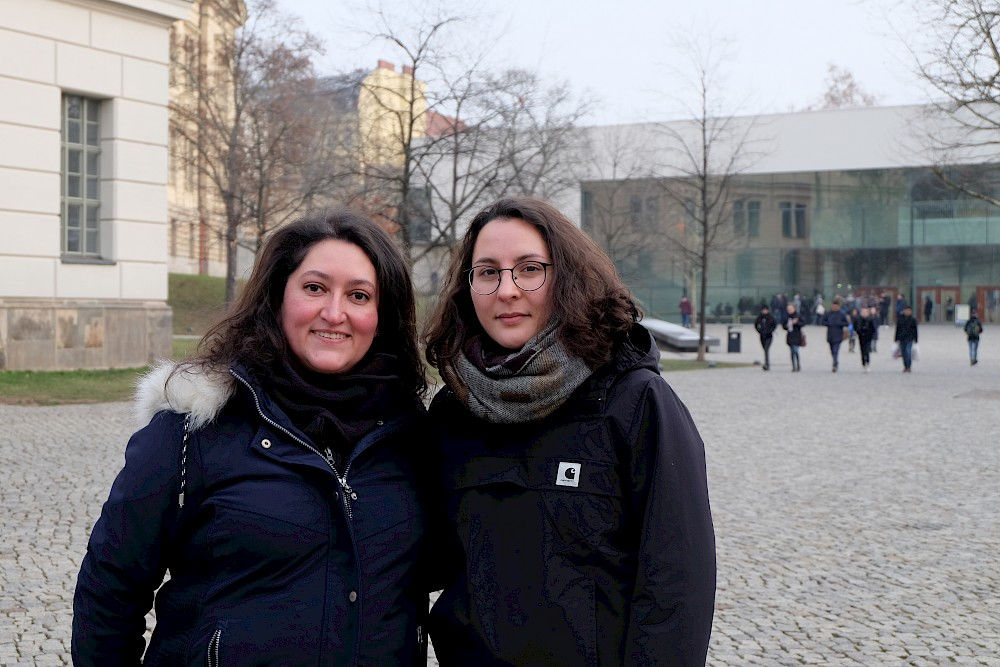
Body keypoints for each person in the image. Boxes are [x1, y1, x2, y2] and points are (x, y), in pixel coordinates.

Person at [72, 210, 431, 665]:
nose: (334, 313)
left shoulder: (408, 435)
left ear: (382, 315)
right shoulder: (193, 427)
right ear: (277, 296)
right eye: (315, 287)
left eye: (359, 295)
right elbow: (110, 591)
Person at [423, 197, 716, 665]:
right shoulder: (452, 413)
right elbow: (424, 560)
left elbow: (676, 588)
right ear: (467, 288)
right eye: (488, 272)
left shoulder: (635, 401)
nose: (508, 290)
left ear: (566, 277)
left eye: (529, 268)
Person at [821, 298, 850, 372]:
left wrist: (840, 324)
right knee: (832, 351)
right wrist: (828, 324)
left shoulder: (842, 314)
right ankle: (835, 361)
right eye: (834, 306)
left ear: (839, 306)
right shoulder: (828, 313)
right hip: (830, 335)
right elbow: (823, 321)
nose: (835, 308)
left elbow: (847, 323)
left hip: (838, 335)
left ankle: (835, 364)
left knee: (835, 350)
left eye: (836, 306)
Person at [895, 304, 919, 372]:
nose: (907, 312)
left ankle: (909, 366)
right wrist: (896, 338)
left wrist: (916, 339)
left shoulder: (913, 319)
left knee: (908, 351)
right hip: (902, 338)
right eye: (906, 310)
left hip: (909, 338)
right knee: (903, 353)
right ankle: (905, 366)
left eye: (909, 310)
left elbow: (915, 330)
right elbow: (897, 329)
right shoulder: (900, 319)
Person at [755, 304, 778, 371]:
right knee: (764, 349)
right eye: (763, 310)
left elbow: (774, 325)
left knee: (766, 349)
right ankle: (766, 363)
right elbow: (756, 325)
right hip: (762, 336)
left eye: (765, 310)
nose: (764, 311)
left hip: (769, 336)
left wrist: (770, 331)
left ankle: (767, 364)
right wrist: (759, 331)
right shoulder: (759, 317)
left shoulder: (771, 317)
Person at [783, 302, 805, 372]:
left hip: (797, 335)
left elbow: (803, 323)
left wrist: (796, 323)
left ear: (794, 309)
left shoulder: (798, 315)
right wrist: (787, 325)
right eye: (788, 309)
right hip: (790, 336)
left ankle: (798, 364)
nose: (789, 310)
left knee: (795, 350)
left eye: (790, 309)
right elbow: (783, 326)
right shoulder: (786, 316)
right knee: (792, 351)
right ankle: (793, 366)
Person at [855, 307, 876, 372]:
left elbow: (873, 329)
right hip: (861, 337)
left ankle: (867, 362)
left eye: (865, 312)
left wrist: (871, 334)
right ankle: (863, 363)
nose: (864, 313)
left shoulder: (870, 319)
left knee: (867, 350)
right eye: (863, 312)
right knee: (862, 351)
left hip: (868, 338)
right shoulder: (858, 319)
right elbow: (855, 326)